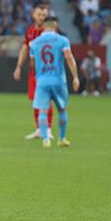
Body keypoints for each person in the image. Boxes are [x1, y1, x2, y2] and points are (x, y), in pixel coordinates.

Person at [28, 16, 80, 148]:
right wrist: (75, 77)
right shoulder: (62, 40)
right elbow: (68, 57)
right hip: (58, 80)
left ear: (43, 27)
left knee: (43, 111)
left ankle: (45, 139)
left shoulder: (34, 43)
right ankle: (62, 138)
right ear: (55, 26)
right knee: (62, 110)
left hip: (42, 82)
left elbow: (32, 64)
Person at [13, 3, 53, 140]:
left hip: (47, 71)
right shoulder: (30, 31)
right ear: (33, 15)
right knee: (36, 100)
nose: (41, 17)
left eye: (44, 15)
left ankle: (48, 129)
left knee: (47, 99)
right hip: (33, 72)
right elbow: (25, 49)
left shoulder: (48, 32)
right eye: (39, 14)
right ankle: (39, 128)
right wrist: (19, 66)